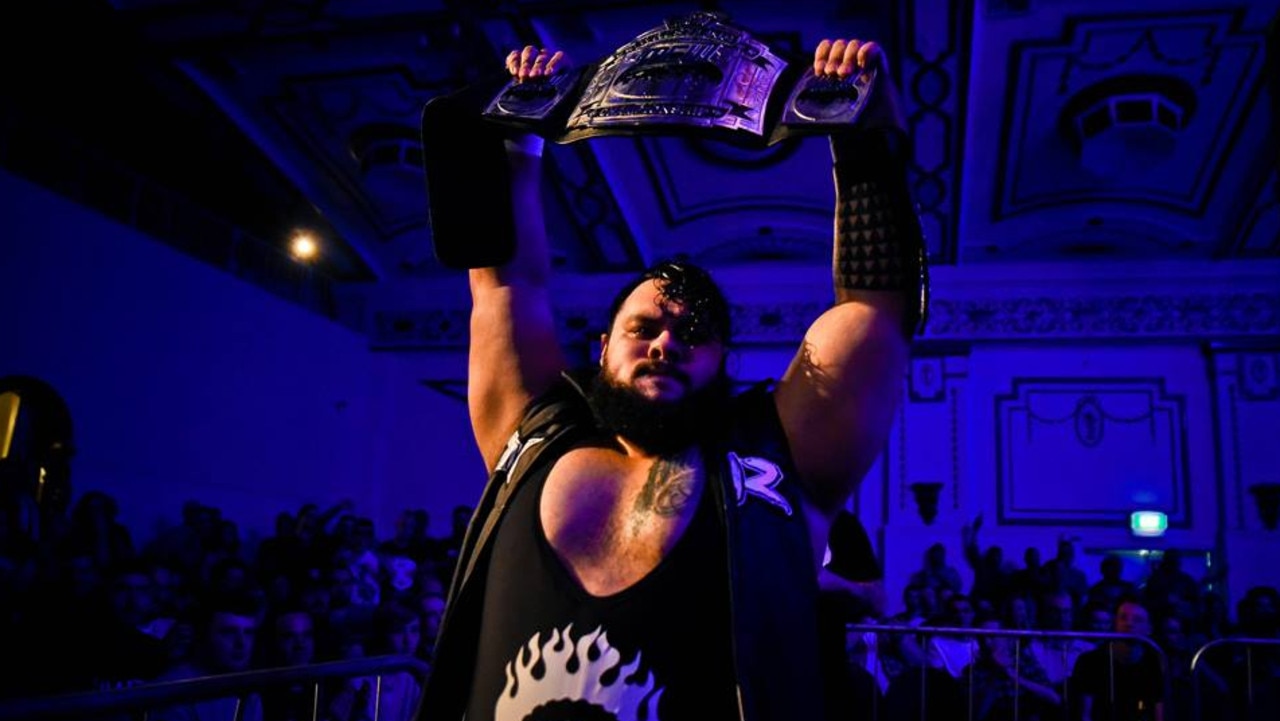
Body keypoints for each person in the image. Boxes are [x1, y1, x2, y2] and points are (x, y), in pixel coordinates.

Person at [420, 22, 927, 721]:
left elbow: (875, 312)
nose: (665, 344)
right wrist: (520, 130)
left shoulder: (778, 463)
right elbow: (506, 286)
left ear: (724, 360)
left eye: (693, 333)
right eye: (645, 326)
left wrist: (858, 136)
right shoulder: (530, 431)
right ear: (602, 346)